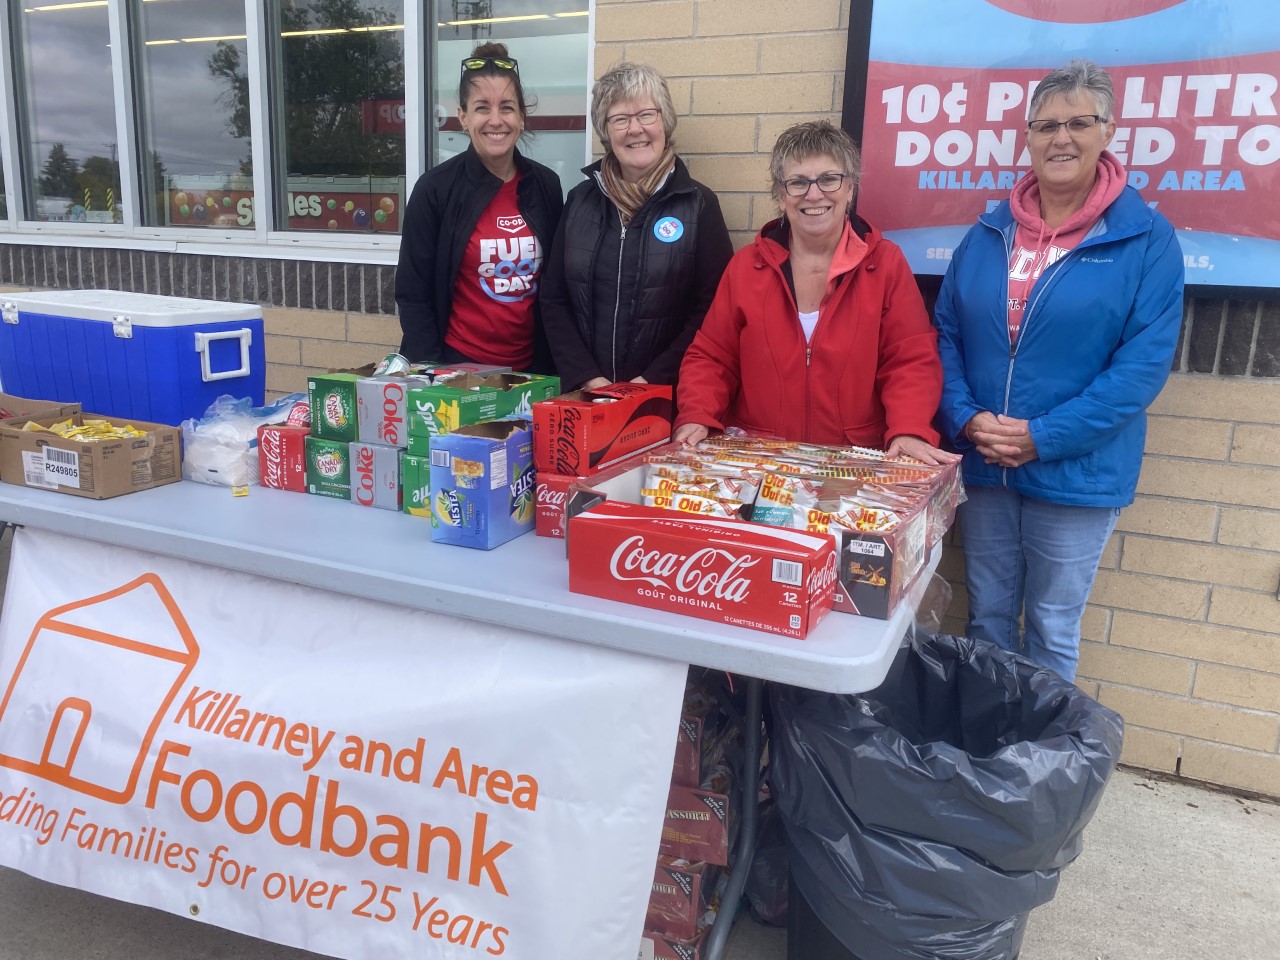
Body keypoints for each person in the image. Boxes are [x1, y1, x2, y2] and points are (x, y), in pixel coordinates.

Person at [933, 59, 1184, 680]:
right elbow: (945, 335)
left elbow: (1140, 370)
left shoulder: (1146, 239)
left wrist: (1041, 437)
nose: (1061, 139)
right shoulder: (989, 233)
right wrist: (967, 418)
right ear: (1028, 138)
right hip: (986, 461)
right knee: (986, 617)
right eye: (1045, 126)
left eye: (1079, 122)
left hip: (1077, 472)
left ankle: (1041, 771)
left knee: (1050, 625)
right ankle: (987, 754)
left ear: (1109, 131)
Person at [673, 120, 955, 465]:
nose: (814, 194)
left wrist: (909, 428)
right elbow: (712, 358)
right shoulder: (747, 267)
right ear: (780, 194)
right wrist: (697, 416)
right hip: (760, 463)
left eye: (828, 179)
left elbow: (910, 360)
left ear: (850, 188)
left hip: (853, 467)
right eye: (798, 182)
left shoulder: (885, 264)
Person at [540, 61, 733, 391]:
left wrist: (652, 380)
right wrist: (589, 379)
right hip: (587, 396)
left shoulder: (698, 204)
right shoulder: (579, 200)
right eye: (620, 119)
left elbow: (714, 307)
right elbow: (554, 298)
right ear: (605, 130)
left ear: (664, 121)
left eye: (646, 114)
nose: (635, 129)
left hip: (665, 397)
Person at [395, 42, 563, 372]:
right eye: (483, 107)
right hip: (457, 372)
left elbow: (558, 287)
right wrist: (431, 372)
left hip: (532, 373)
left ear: (522, 118)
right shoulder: (435, 190)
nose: (496, 120)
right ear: (463, 117)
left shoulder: (546, 186)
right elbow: (413, 294)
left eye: (507, 108)